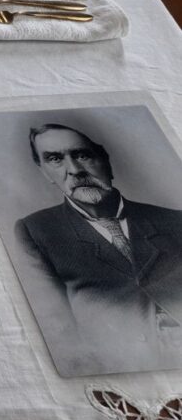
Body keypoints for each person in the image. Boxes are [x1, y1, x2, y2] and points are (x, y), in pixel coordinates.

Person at [15, 124, 182, 375]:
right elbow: (55, 325)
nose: (75, 170)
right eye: (55, 159)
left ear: (105, 160)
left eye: (82, 155)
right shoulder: (36, 231)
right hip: (119, 368)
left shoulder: (173, 221)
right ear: (44, 172)